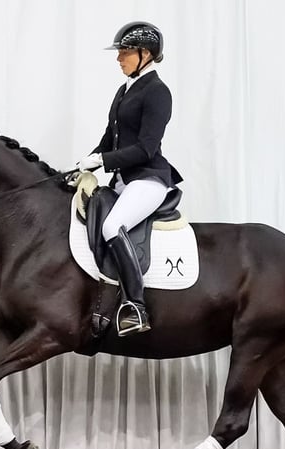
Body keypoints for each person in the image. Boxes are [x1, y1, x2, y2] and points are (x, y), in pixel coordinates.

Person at [77, 21, 183, 337]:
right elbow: (110, 138)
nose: (119, 58)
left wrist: (102, 160)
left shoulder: (157, 93)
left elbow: (146, 148)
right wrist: (86, 166)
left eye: (124, 52)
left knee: (112, 226)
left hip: (149, 179)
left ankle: (136, 306)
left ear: (145, 54)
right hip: (123, 181)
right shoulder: (124, 90)